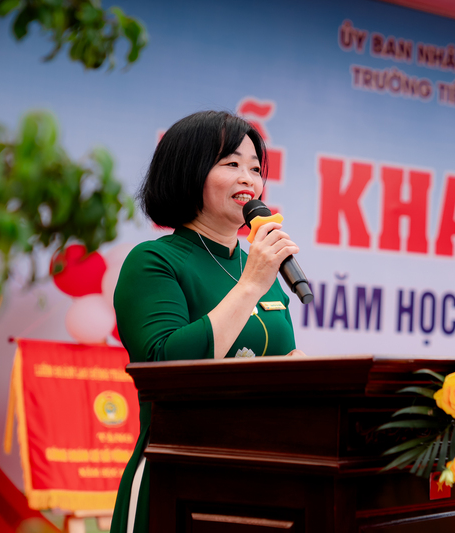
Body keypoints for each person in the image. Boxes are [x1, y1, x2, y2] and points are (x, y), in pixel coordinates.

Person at [110, 111, 304, 533]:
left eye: (255, 169)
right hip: (179, 478)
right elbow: (164, 366)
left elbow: (278, 364)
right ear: (189, 171)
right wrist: (250, 285)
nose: (248, 179)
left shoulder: (259, 268)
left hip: (262, 480)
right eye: (231, 164)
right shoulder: (154, 261)